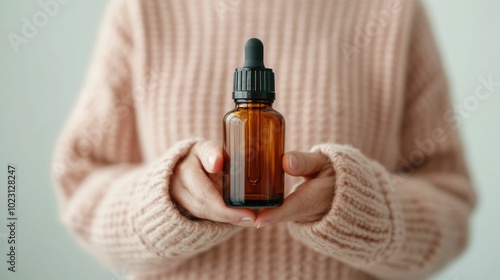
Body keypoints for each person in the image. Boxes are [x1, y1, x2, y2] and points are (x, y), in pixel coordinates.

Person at [52, 0, 476, 279]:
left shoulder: (391, 10)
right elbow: (81, 188)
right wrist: (166, 200)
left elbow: (450, 208)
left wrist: (360, 205)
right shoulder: (146, 9)